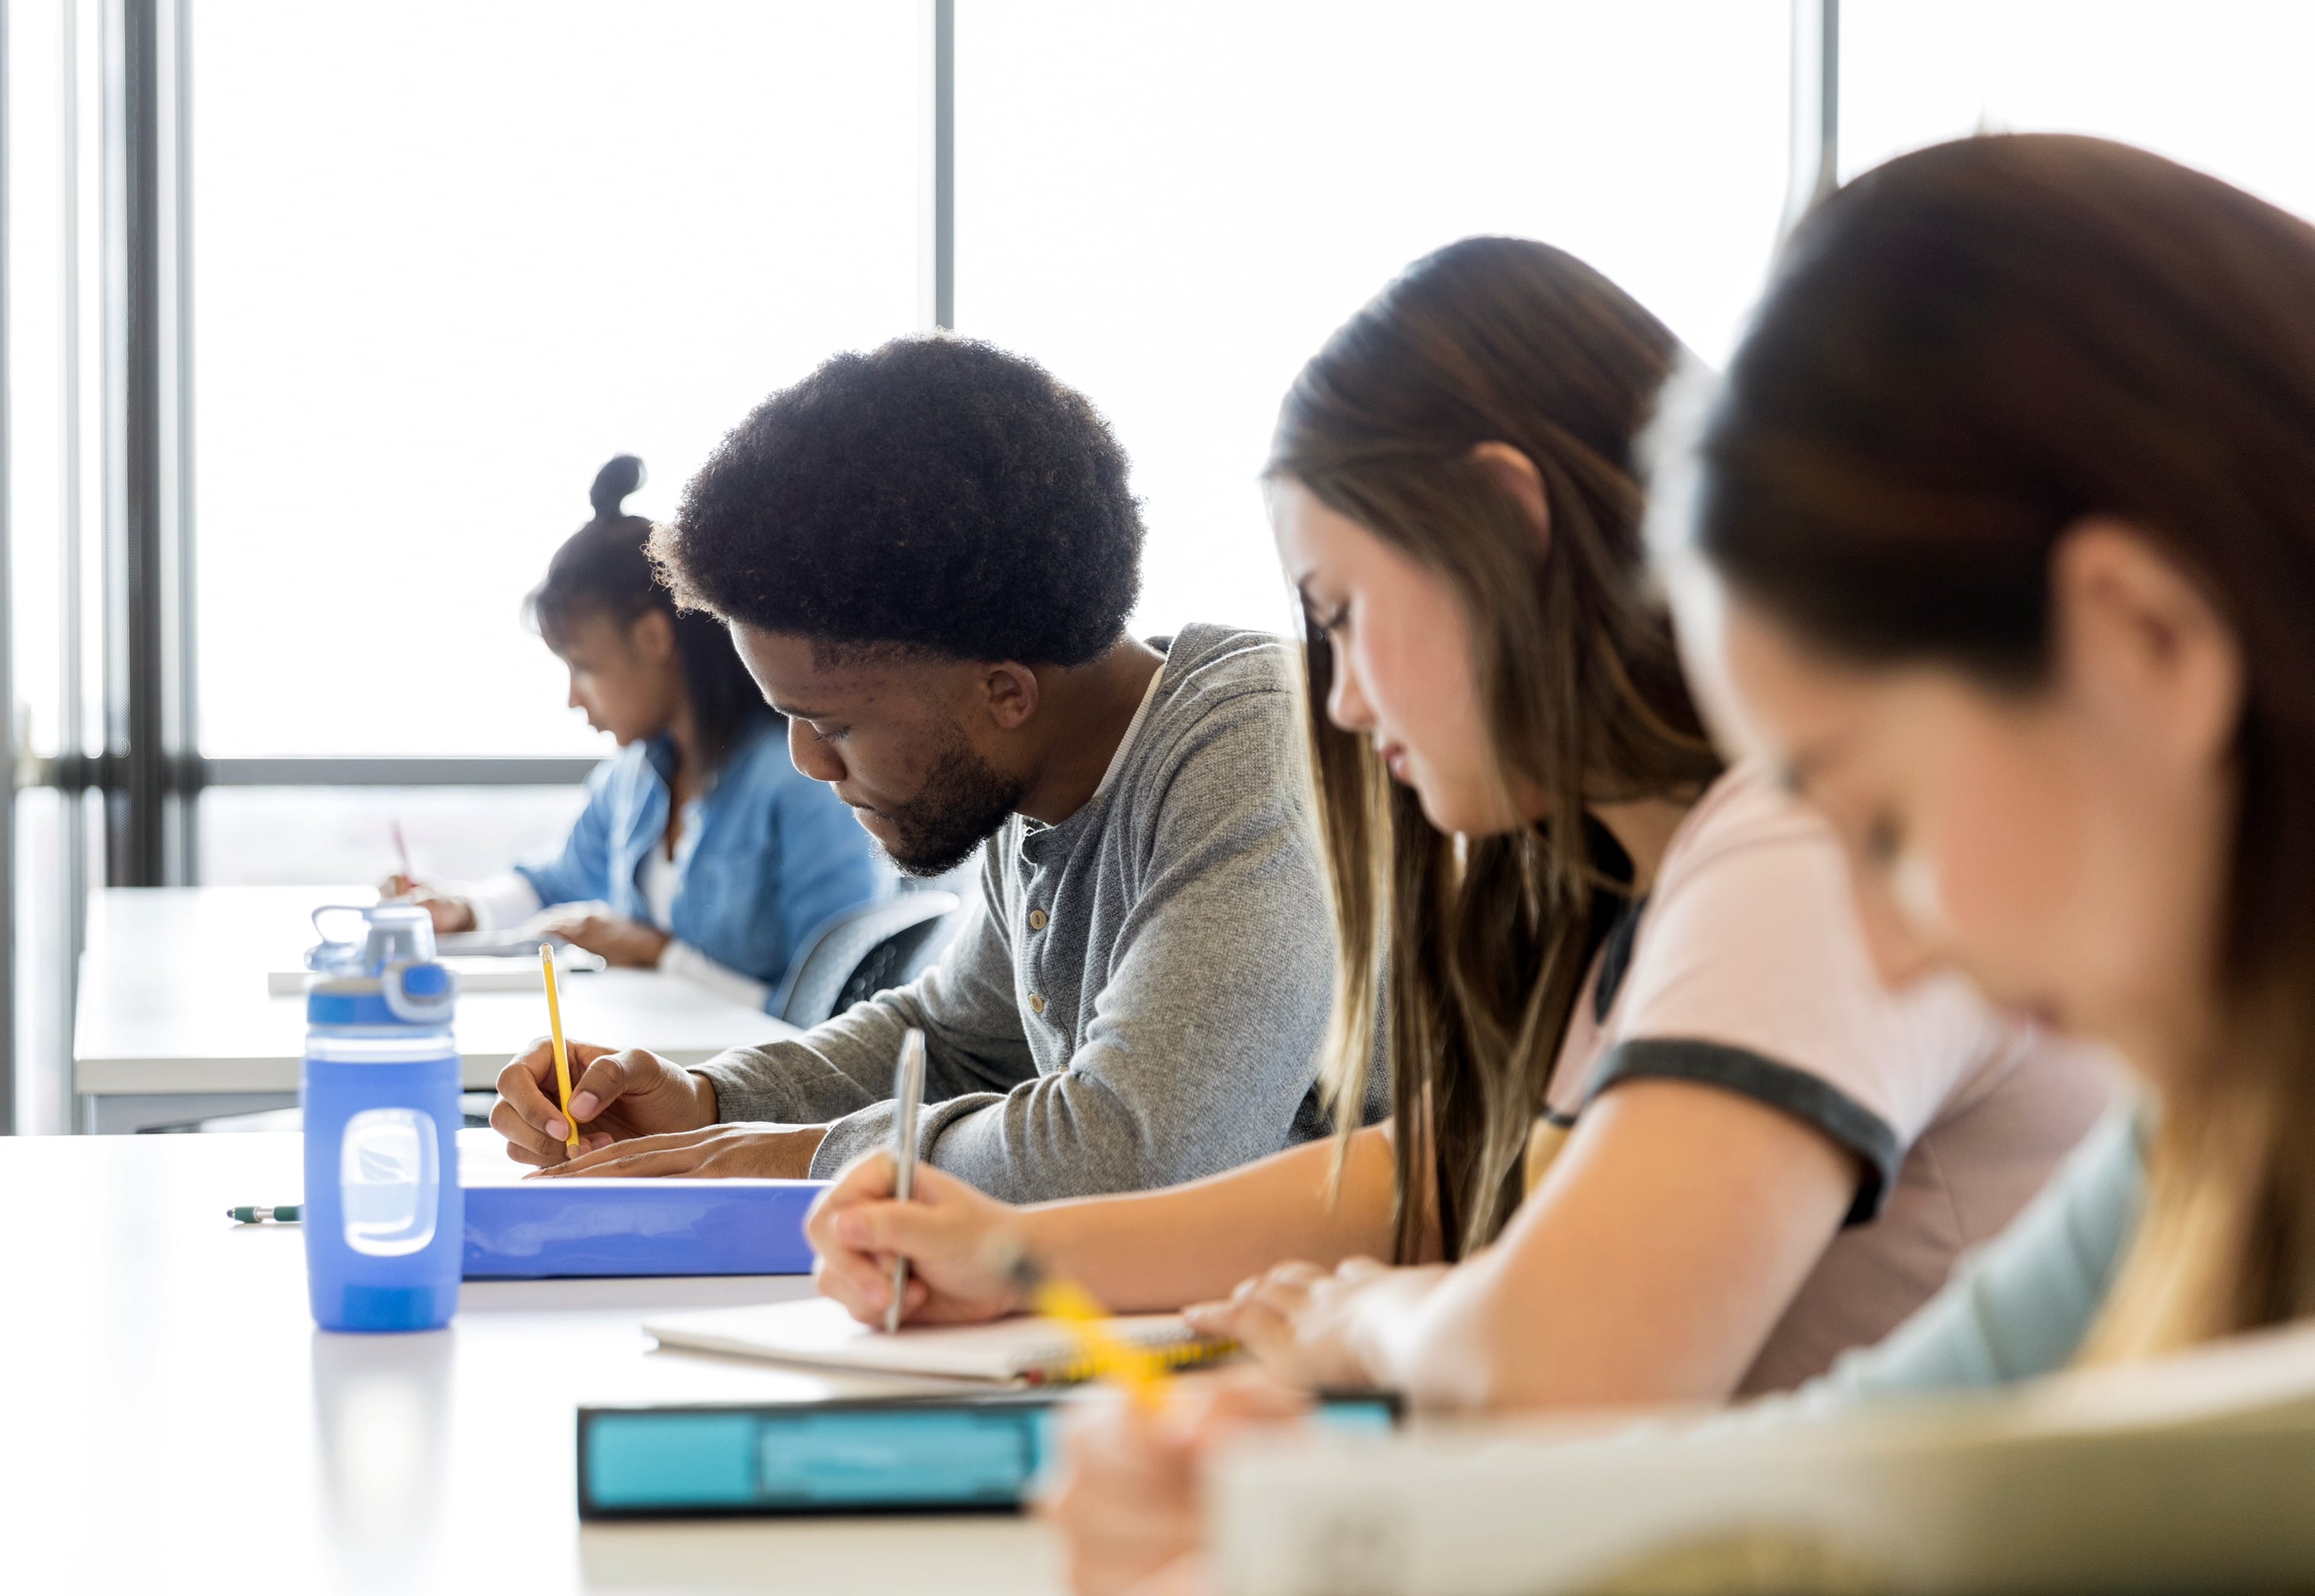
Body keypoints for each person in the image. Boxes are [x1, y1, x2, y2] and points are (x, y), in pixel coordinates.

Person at [1050, 133, 2315, 1594]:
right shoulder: (2208, 1137)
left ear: (2147, 644)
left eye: (1887, 822)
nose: (1892, 956)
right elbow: (1861, 1486)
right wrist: (1300, 1526)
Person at [802, 237, 2111, 1426]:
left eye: (1347, 614)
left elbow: (1564, 1366)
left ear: (1505, 522)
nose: (1342, 697)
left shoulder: (1798, 848)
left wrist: (1358, 1318)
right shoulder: (1632, 878)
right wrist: (1024, 1256)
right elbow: (1447, 1172)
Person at [486, 338, 1352, 1195]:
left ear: (1004, 693)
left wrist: (788, 1155)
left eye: (832, 723)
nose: (808, 761)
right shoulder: (1037, 782)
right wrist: (710, 1101)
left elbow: (1135, 1146)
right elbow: (952, 1039)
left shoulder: (1255, 756)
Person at [390, 456, 882, 1009]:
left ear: (652, 637)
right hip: (654, 1063)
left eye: (584, 668)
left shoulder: (800, 782)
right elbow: (556, 884)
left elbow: (833, 1005)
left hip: (758, 1083)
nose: (573, 698)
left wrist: (659, 955)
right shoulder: (633, 780)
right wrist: (464, 910)